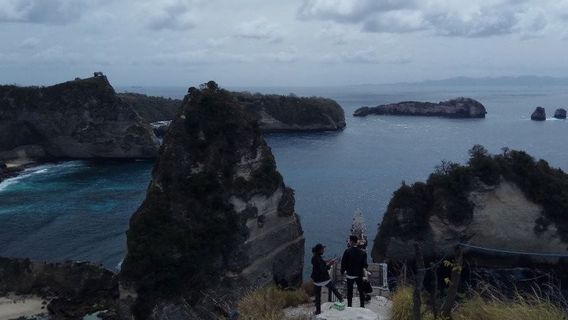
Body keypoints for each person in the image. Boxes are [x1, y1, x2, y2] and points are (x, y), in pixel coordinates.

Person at [311, 243, 343, 315]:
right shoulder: (318, 258)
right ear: (319, 250)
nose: (323, 250)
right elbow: (323, 269)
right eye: (322, 249)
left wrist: (327, 261)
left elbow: (320, 263)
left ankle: (318, 311)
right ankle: (341, 299)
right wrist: (330, 264)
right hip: (324, 279)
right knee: (334, 289)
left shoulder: (315, 257)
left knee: (318, 296)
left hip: (317, 281)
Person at [341, 235, 368, 308]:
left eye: (349, 240)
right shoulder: (363, 253)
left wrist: (342, 271)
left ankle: (349, 306)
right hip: (359, 274)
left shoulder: (347, 251)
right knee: (361, 291)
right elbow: (365, 265)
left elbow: (343, 263)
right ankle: (362, 306)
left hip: (349, 274)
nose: (348, 242)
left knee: (350, 291)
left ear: (352, 241)